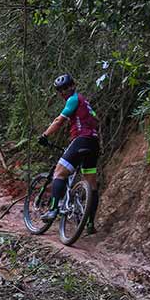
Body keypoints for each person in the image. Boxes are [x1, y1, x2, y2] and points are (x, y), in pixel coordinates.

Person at [38, 73, 100, 234]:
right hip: (94, 143)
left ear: (72, 87)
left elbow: (59, 120)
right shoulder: (86, 103)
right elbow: (95, 120)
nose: (64, 91)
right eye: (61, 89)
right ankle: (90, 223)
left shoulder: (73, 99)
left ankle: (53, 210)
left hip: (81, 141)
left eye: (65, 88)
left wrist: (45, 135)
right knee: (92, 185)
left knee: (59, 173)